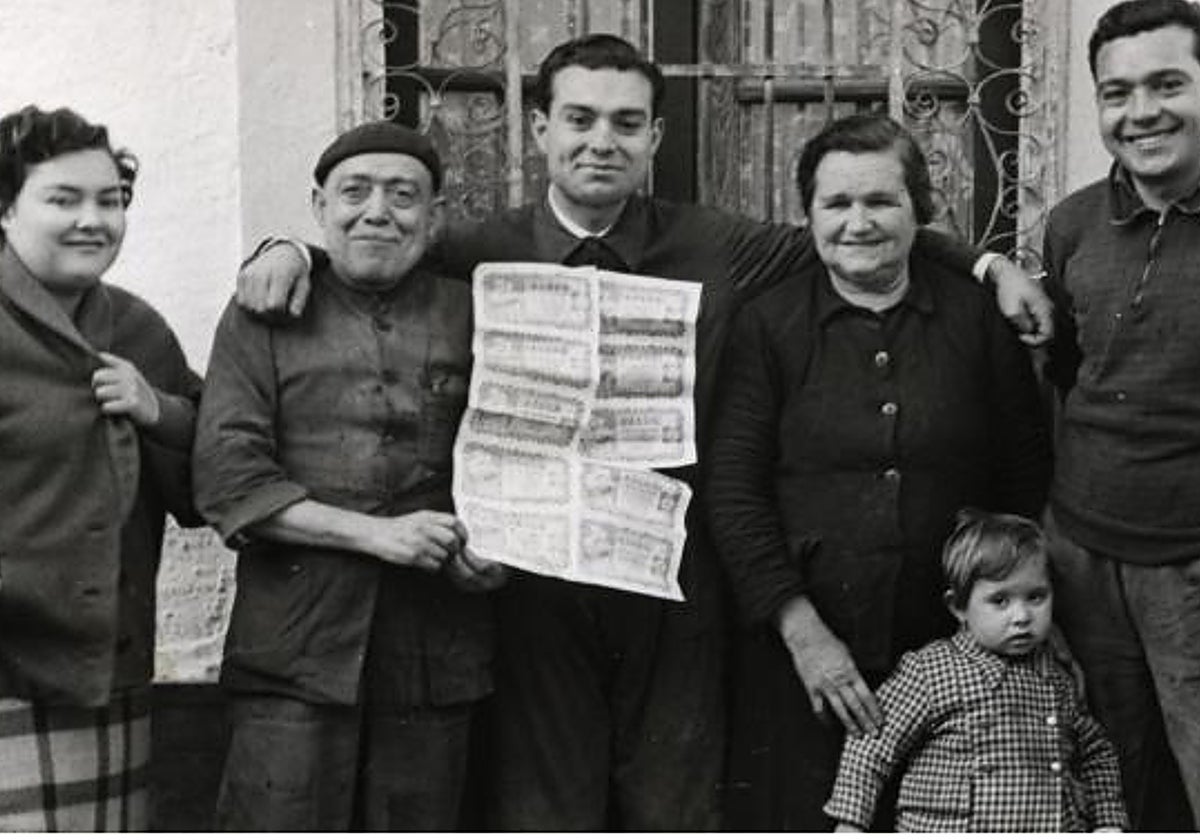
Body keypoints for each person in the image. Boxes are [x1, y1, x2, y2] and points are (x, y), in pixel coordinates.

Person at [234, 36, 1053, 831]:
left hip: (675, 584)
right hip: (529, 586)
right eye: (580, 119)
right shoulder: (479, 247)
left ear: (655, 137)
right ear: (540, 128)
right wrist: (291, 251)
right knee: (545, 815)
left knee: (675, 808)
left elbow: (855, 231)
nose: (602, 141)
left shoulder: (718, 245)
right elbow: (375, 240)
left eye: (626, 123)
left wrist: (988, 265)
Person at [706, 113, 1052, 830]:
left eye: (880, 201)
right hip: (805, 657)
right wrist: (804, 635)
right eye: (836, 203)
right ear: (808, 216)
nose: (858, 223)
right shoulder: (766, 326)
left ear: (917, 211)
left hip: (955, 650)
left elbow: (1023, 478)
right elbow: (735, 493)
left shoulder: (976, 320)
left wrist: (991, 626)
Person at [191, 122, 505, 831]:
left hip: (435, 658)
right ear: (318, 206)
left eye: (403, 196)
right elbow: (228, 481)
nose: (377, 212)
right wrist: (376, 536)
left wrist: (501, 549)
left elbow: (524, 458)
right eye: (354, 192)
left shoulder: (477, 314)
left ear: (435, 217)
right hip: (293, 656)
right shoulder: (263, 316)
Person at [0, 105, 201, 830]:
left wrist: (161, 412)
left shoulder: (138, 328)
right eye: (64, 200)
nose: (94, 220)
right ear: (4, 209)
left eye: (111, 201)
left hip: (103, 668)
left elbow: (211, 490)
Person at [1041, 0, 1200, 829]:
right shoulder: (1071, 225)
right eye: (1117, 92)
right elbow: (1071, 374)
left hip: (1189, 563)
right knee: (1107, 779)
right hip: (1081, 556)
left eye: (1168, 84)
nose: (1142, 113)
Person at [823, 510, 1127, 832]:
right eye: (1000, 601)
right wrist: (851, 823)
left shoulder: (1057, 679)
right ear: (959, 607)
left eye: (1036, 597)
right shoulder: (930, 672)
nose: (1022, 616)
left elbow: (1095, 753)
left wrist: (1107, 823)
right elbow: (872, 746)